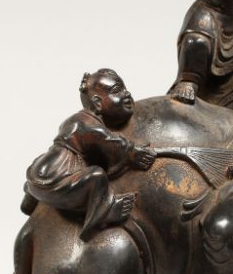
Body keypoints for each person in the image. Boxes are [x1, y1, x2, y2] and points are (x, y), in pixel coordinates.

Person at [21, 68, 155, 241]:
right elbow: (110, 141)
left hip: (35, 179)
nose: (127, 94)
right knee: (96, 176)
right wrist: (133, 152)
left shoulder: (73, 120)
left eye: (125, 89)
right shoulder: (86, 122)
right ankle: (100, 215)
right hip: (56, 181)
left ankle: (30, 199)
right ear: (98, 103)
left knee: (41, 160)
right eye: (117, 91)